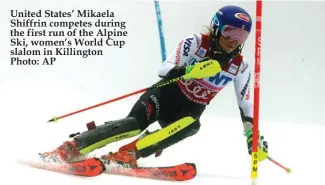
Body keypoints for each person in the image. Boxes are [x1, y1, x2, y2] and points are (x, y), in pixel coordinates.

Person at [40, 5, 268, 168]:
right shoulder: (196, 43)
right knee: (133, 125)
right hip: (164, 96)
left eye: (241, 36)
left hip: (186, 112)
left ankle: (129, 153)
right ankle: (71, 147)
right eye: (230, 32)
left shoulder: (240, 67)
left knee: (193, 125)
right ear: (217, 28)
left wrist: (252, 136)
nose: (234, 41)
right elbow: (164, 69)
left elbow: (246, 106)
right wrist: (188, 72)